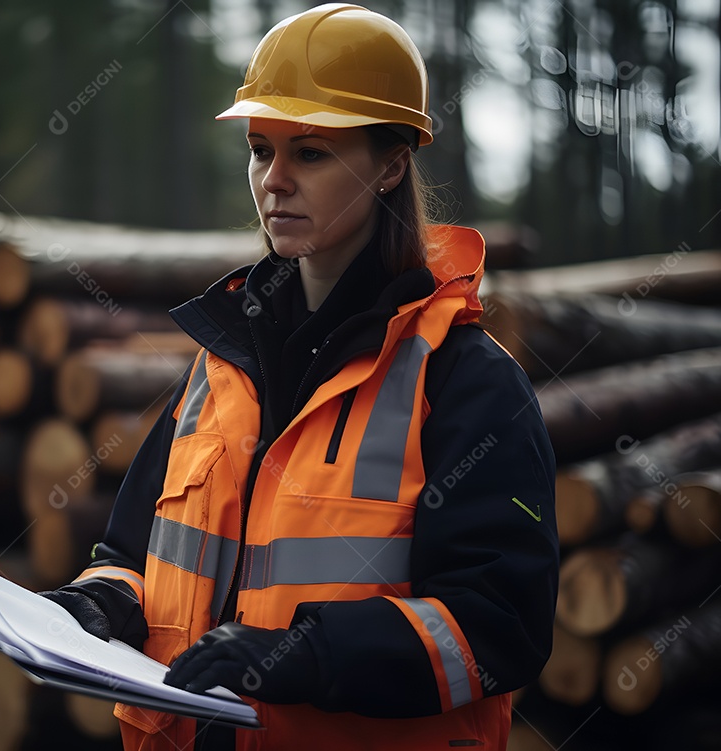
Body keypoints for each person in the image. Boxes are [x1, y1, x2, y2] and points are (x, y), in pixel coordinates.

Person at [40, 4, 559, 750]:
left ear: (391, 163)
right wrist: (98, 604)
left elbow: (497, 623)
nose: (273, 181)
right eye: (260, 150)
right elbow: (129, 554)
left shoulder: (468, 382)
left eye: (309, 153)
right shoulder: (222, 362)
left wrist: (309, 653)